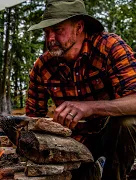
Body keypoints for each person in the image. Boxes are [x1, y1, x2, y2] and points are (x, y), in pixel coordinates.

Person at [25, 0, 136, 180]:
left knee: (127, 123)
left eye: (58, 30)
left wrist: (90, 107)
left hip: (112, 136)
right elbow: (32, 118)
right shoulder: (42, 66)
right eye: (46, 32)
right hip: (73, 141)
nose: (50, 39)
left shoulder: (109, 47)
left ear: (79, 27)